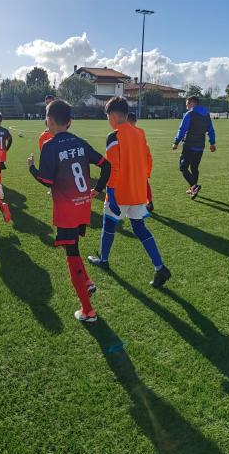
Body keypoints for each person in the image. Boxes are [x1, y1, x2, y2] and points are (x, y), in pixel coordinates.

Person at [29, 99, 111, 323]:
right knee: (73, 244)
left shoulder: (49, 145)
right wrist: (98, 189)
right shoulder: (80, 142)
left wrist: (32, 169)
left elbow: (46, 181)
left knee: (71, 254)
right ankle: (87, 281)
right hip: (83, 204)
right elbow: (106, 165)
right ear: (70, 121)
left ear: (49, 120)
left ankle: (88, 311)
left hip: (66, 209)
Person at [87, 97, 171, 289]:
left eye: (107, 116)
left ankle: (104, 260)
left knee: (109, 225)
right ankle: (160, 267)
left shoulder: (114, 136)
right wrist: (140, 179)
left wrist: (111, 191)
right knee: (140, 228)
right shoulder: (140, 133)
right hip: (138, 192)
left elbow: (113, 167)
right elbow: (149, 161)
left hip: (120, 192)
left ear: (113, 115)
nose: (108, 120)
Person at [172, 95, 216, 199]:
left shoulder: (190, 114)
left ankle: (194, 186)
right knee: (194, 168)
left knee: (183, 167)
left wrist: (176, 142)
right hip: (200, 147)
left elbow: (182, 129)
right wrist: (212, 143)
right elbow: (211, 129)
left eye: (187, 104)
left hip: (189, 145)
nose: (186, 106)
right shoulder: (206, 115)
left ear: (192, 103)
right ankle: (193, 189)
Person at [127, 111, 154, 212]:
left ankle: (133, 202)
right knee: (144, 183)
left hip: (132, 163)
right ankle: (149, 201)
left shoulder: (125, 132)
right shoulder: (140, 131)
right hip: (142, 163)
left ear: (127, 121)